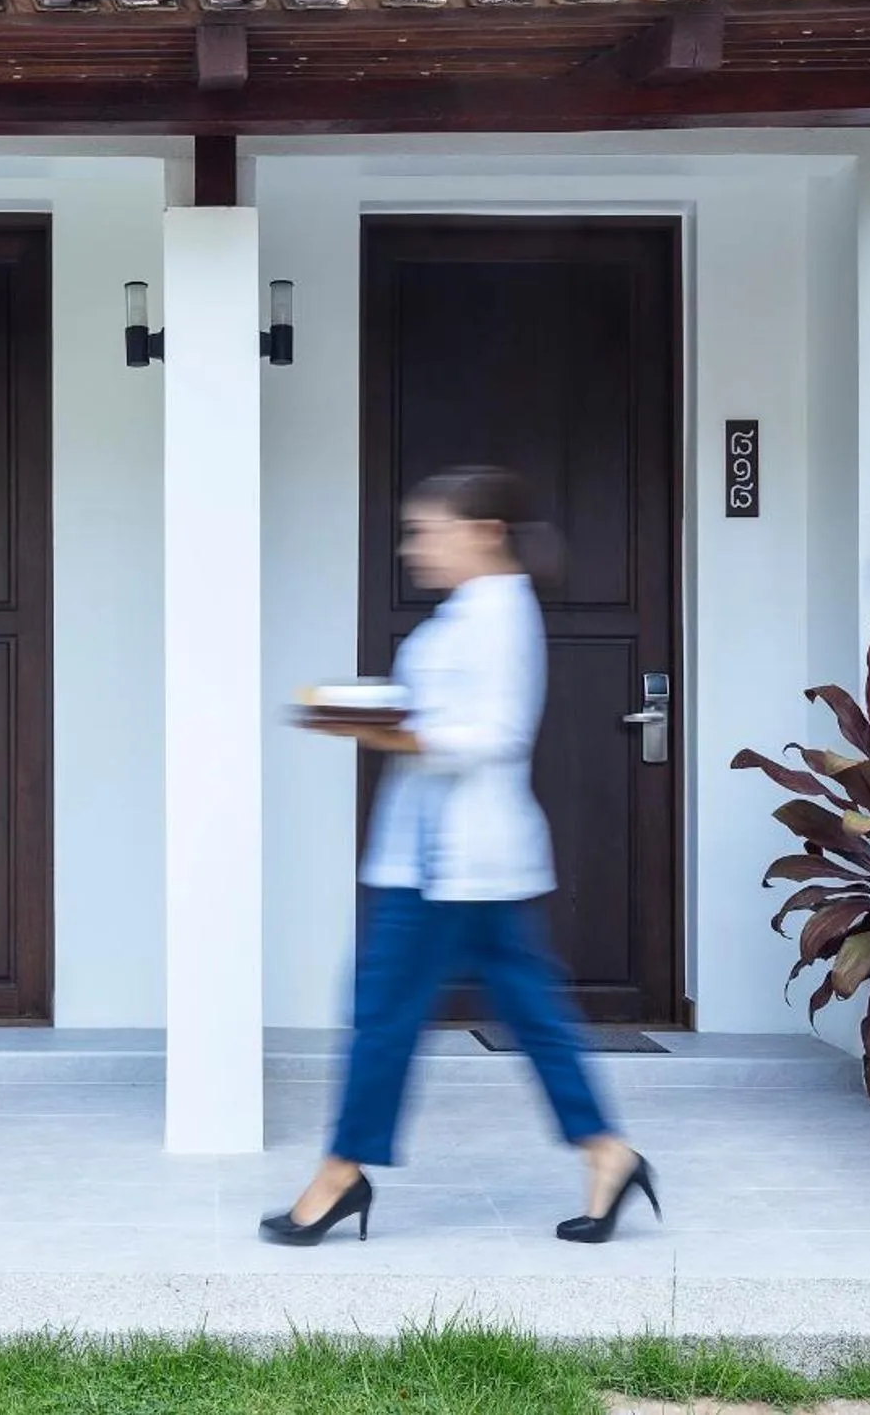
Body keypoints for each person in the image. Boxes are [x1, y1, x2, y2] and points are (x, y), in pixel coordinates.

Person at [261, 466, 658, 1247]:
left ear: (484, 534)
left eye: (426, 532)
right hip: (444, 859)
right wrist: (372, 721)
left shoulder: (500, 614)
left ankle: (340, 1175)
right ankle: (608, 1154)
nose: (412, 548)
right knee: (530, 1014)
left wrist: (383, 731)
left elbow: (494, 734)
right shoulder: (467, 613)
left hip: (451, 866)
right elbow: (436, 716)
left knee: (381, 1014)